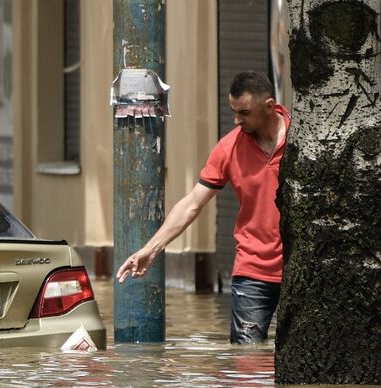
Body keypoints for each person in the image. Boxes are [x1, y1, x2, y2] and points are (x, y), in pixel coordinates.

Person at [115, 71, 288, 343]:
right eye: (233, 111)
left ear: (268, 107)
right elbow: (192, 204)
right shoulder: (228, 148)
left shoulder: (304, 140)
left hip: (302, 265)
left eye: (244, 113)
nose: (236, 120)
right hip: (252, 269)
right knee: (246, 359)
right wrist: (151, 249)